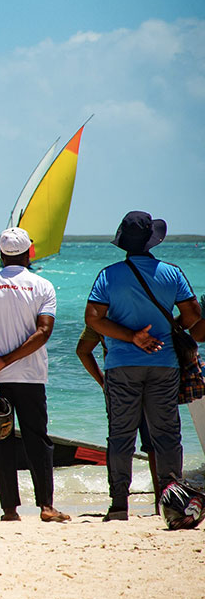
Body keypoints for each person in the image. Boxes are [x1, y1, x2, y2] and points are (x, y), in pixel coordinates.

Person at [84, 211, 204, 521]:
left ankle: (119, 505)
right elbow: (192, 316)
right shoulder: (172, 273)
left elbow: (93, 320)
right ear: (152, 240)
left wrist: (131, 337)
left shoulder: (108, 275)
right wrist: (169, 329)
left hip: (121, 365)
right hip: (163, 363)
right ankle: (171, 500)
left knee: (120, 435)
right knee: (166, 435)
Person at [0, 227, 69, 523]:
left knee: (0, 439)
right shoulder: (43, 286)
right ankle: (46, 507)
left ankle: (10, 511)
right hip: (31, 375)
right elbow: (43, 333)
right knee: (37, 439)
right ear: (29, 253)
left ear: (1, 255)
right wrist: (8, 360)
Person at [75, 325, 160, 512]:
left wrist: (102, 382)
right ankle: (162, 501)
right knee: (157, 441)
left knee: (120, 441)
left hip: (118, 380)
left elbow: (82, 350)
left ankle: (119, 502)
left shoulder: (103, 315)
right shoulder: (151, 313)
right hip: (155, 377)